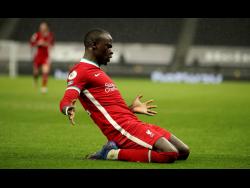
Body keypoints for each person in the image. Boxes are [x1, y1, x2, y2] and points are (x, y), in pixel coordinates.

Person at [59, 29, 190, 163]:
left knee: (184, 151)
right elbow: (67, 99)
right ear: (93, 45)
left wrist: (131, 108)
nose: (111, 51)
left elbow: (109, 109)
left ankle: (126, 150)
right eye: (108, 46)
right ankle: (110, 153)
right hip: (121, 129)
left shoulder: (97, 72)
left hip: (133, 122)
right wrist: (68, 108)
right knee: (170, 154)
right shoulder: (80, 71)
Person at [30, 21, 54, 94]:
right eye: (41, 27)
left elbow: (51, 44)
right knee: (36, 73)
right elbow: (31, 43)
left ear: (46, 27)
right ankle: (35, 81)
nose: (42, 28)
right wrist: (38, 43)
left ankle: (44, 88)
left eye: (44, 26)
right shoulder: (36, 35)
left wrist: (43, 43)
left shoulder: (49, 35)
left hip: (45, 57)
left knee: (45, 71)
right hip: (38, 56)